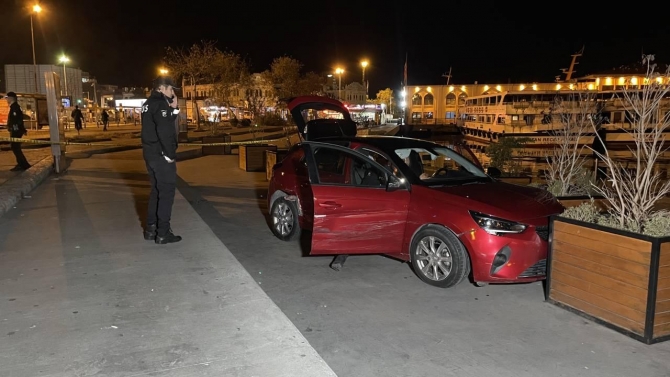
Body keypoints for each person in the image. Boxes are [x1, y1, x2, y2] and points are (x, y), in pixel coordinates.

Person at [141, 76, 181, 244]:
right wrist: (170, 155)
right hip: (160, 155)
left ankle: (151, 228)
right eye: (171, 89)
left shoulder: (149, 103)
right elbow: (165, 131)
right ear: (162, 88)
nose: (172, 93)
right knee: (166, 193)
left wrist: (175, 108)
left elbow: (161, 121)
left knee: (156, 191)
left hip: (150, 153)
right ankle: (163, 232)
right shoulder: (160, 104)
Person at [4, 92, 30, 171]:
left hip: (16, 131)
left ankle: (23, 165)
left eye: (7, 98)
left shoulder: (15, 107)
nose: (6, 99)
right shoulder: (14, 107)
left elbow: (17, 120)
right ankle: (22, 164)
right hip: (16, 130)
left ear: (11, 98)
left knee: (15, 147)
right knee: (16, 148)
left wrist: (15, 129)